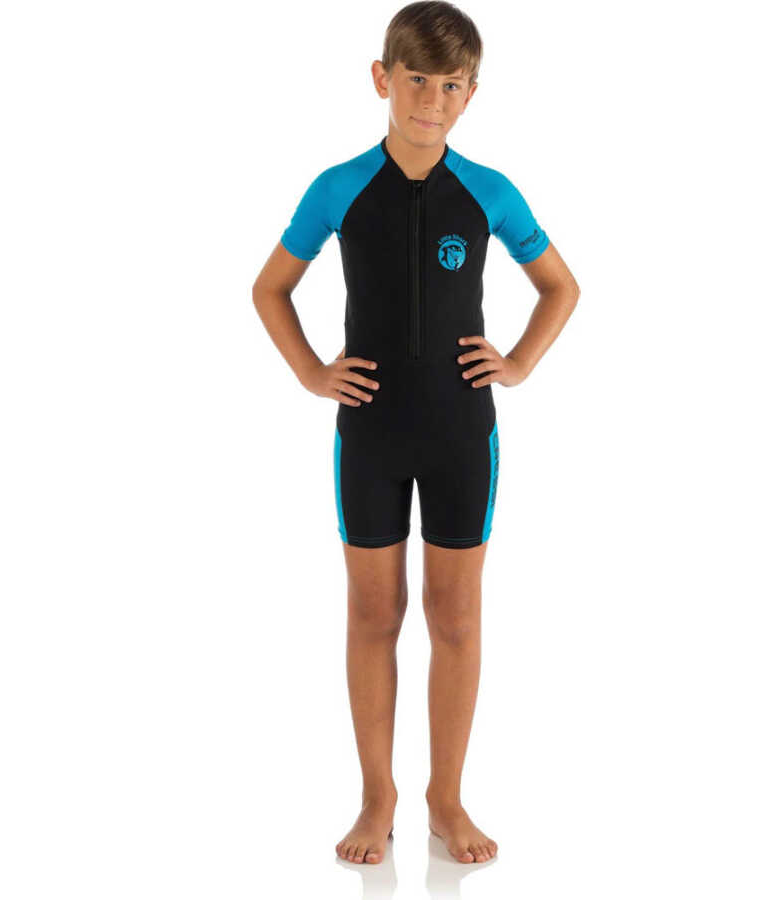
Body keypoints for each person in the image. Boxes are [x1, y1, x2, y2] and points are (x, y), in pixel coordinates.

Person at [252, 0, 580, 866]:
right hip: (369, 429)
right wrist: (311, 371)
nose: (433, 101)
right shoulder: (339, 187)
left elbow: (561, 286)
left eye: (453, 86)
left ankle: (446, 796)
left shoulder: (489, 191)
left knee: (455, 615)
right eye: (418, 80)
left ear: (472, 93)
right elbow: (269, 288)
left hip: (461, 431)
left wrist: (519, 361)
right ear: (382, 79)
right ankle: (377, 796)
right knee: (374, 611)